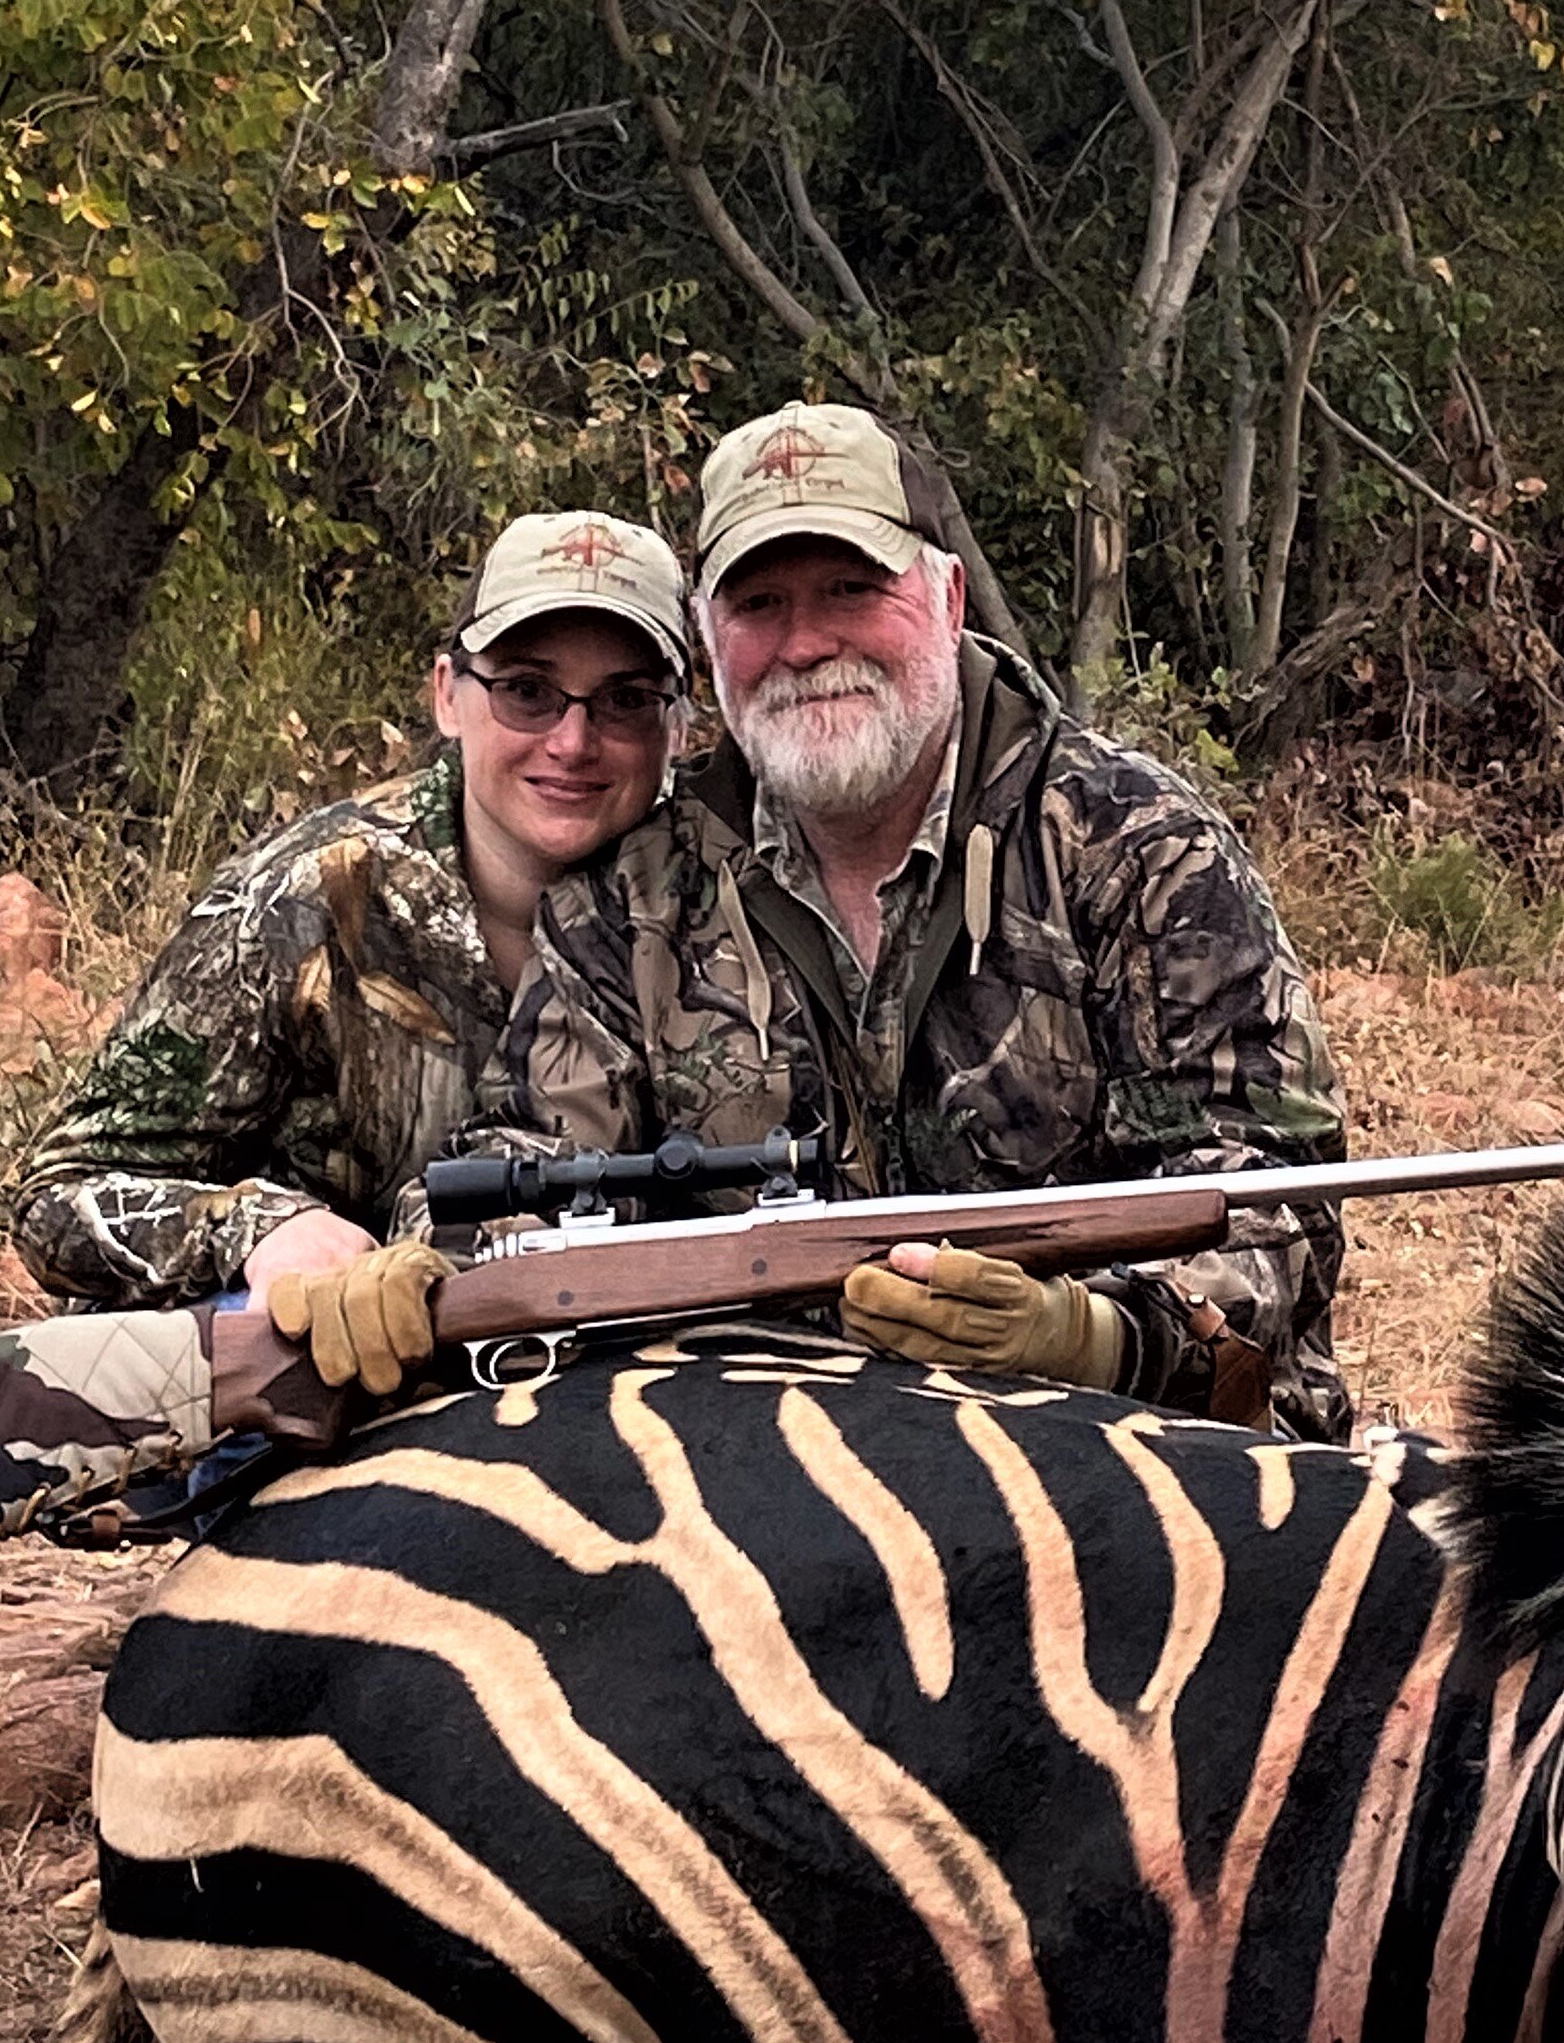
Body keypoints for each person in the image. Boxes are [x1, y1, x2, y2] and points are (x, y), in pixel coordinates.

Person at [532, 399, 1352, 1433]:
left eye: (851, 588)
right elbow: (518, 1178)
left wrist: (1095, 1334)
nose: (806, 643)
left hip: (1116, 1452)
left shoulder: (1136, 848)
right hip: (767, 1474)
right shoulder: (629, 894)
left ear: (948, 595)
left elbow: (1274, 1195)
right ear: (706, 638)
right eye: (759, 604)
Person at [10, 511, 693, 1389]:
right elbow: (59, 1193)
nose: (572, 740)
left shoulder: (720, 901)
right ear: (448, 694)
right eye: (527, 691)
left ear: (677, 726)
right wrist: (261, 1232)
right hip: (318, 1386)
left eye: (626, 701)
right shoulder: (300, 900)